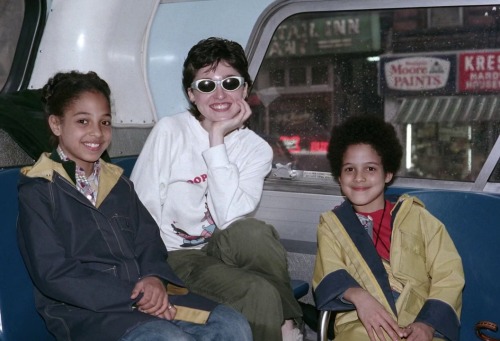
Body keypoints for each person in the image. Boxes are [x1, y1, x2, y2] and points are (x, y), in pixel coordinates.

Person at [16, 70, 252, 341]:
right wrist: (135, 296)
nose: (97, 132)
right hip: (86, 310)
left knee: (232, 324)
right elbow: (53, 273)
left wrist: (153, 277)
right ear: (56, 125)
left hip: (146, 293)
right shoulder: (40, 189)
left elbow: (148, 241)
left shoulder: (118, 183)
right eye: (83, 121)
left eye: (104, 122)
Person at [130, 37, 303, 341]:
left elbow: (229, 220)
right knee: (258, 292)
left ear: (246, 90)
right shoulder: (170, 131)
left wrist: (217, 140)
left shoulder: (256, 150)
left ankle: (283, 322)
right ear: (191, 95)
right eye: (206, 85)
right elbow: (141, 207)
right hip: (174, 255)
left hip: (220, 243)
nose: (219, 94)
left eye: (230, 82)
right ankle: (282, 325)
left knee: (256, 232)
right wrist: (151, 271)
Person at [312, 115, 464, 341]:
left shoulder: (420, 218)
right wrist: (360, 297)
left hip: (419, 326)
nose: (359, 178)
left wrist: (428, 324)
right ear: (339, 176)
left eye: (370, 168)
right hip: (361, 325)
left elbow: (449, 274)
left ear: (388, 174)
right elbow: (329, 272)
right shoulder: (332, 225)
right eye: (349, 169)